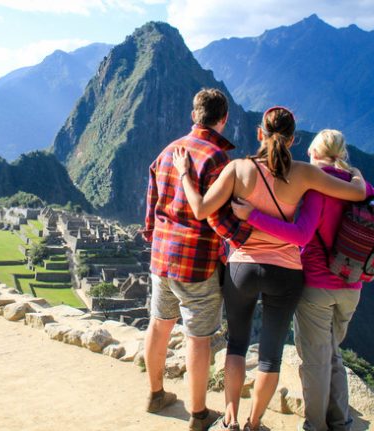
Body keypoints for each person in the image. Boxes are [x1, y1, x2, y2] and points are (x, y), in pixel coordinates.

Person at [172, 107, 367, 431]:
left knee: (236, 345)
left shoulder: (238, 169)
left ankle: (231, 420)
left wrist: (184, 174)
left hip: (243, 268)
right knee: (270, 355)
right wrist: (357, 173)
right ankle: (254, 422)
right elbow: (356, 192)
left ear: (259, 133)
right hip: (286, 273)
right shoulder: (304, 173)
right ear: (292, 139)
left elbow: (201, 208)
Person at [230, 129, 374, 431]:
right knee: (332, 353)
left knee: (315, 361)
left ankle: (315, 426)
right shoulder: (359, 185)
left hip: (318, 287)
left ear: (313, 153)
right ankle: (340, 422)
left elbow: (301, 234)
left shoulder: (315, 185)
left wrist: (252, 217)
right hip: (352, 286)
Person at [141, 88, 252, 431]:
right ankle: (198, 414)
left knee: (159, 324)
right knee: (197, 337)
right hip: (198, 264)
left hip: (162, 257)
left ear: (194, 115)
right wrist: (245, 233)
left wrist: (156, 238)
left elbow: (151, 209)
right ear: (224, 119)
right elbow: (220, 217)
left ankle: (156, 393)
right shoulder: (219, 159)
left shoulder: (166, 153)